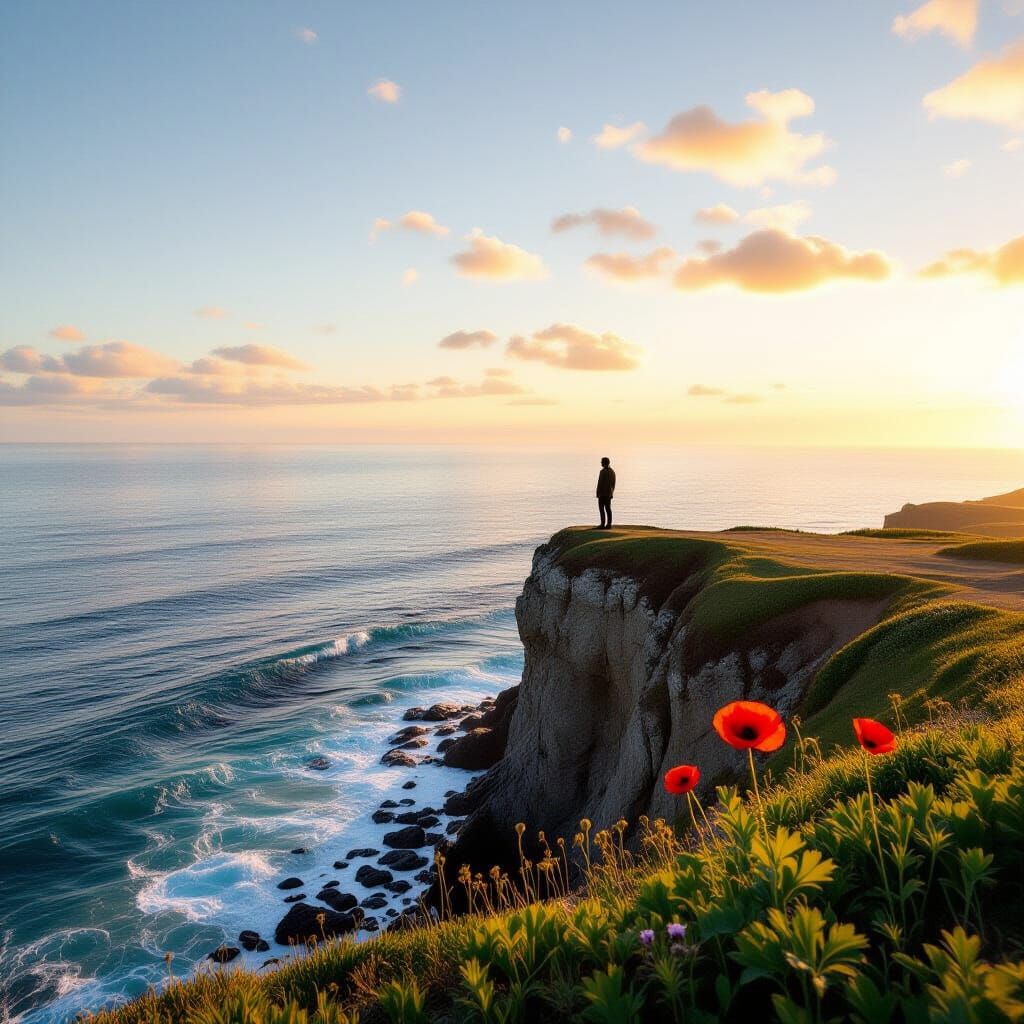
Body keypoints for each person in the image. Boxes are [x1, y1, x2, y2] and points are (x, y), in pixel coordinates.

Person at [596, 456, 616, 529]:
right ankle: (609, 524)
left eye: (601, 462)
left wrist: (598, 493)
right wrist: (611, 493)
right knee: (608, 509)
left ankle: (603, 524)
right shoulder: (612, 472)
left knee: (602, 509)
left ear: (604, 463)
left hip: (602, 494)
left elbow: (600, 483)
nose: (601, 463)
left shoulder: (602, 471)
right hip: (608, 494)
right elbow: (613, 484)